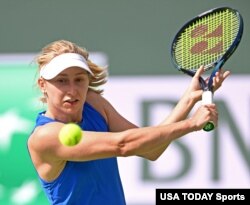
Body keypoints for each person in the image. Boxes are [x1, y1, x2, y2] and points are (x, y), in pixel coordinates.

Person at [27, 39, 230, 205]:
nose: (72, 90)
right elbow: (122, 145)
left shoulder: (94, 103)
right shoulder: (45, 137)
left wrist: (189, 99)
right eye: (61, 80)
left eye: (79, 79)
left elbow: (151, 150)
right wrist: (191, 124)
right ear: (43, 85)